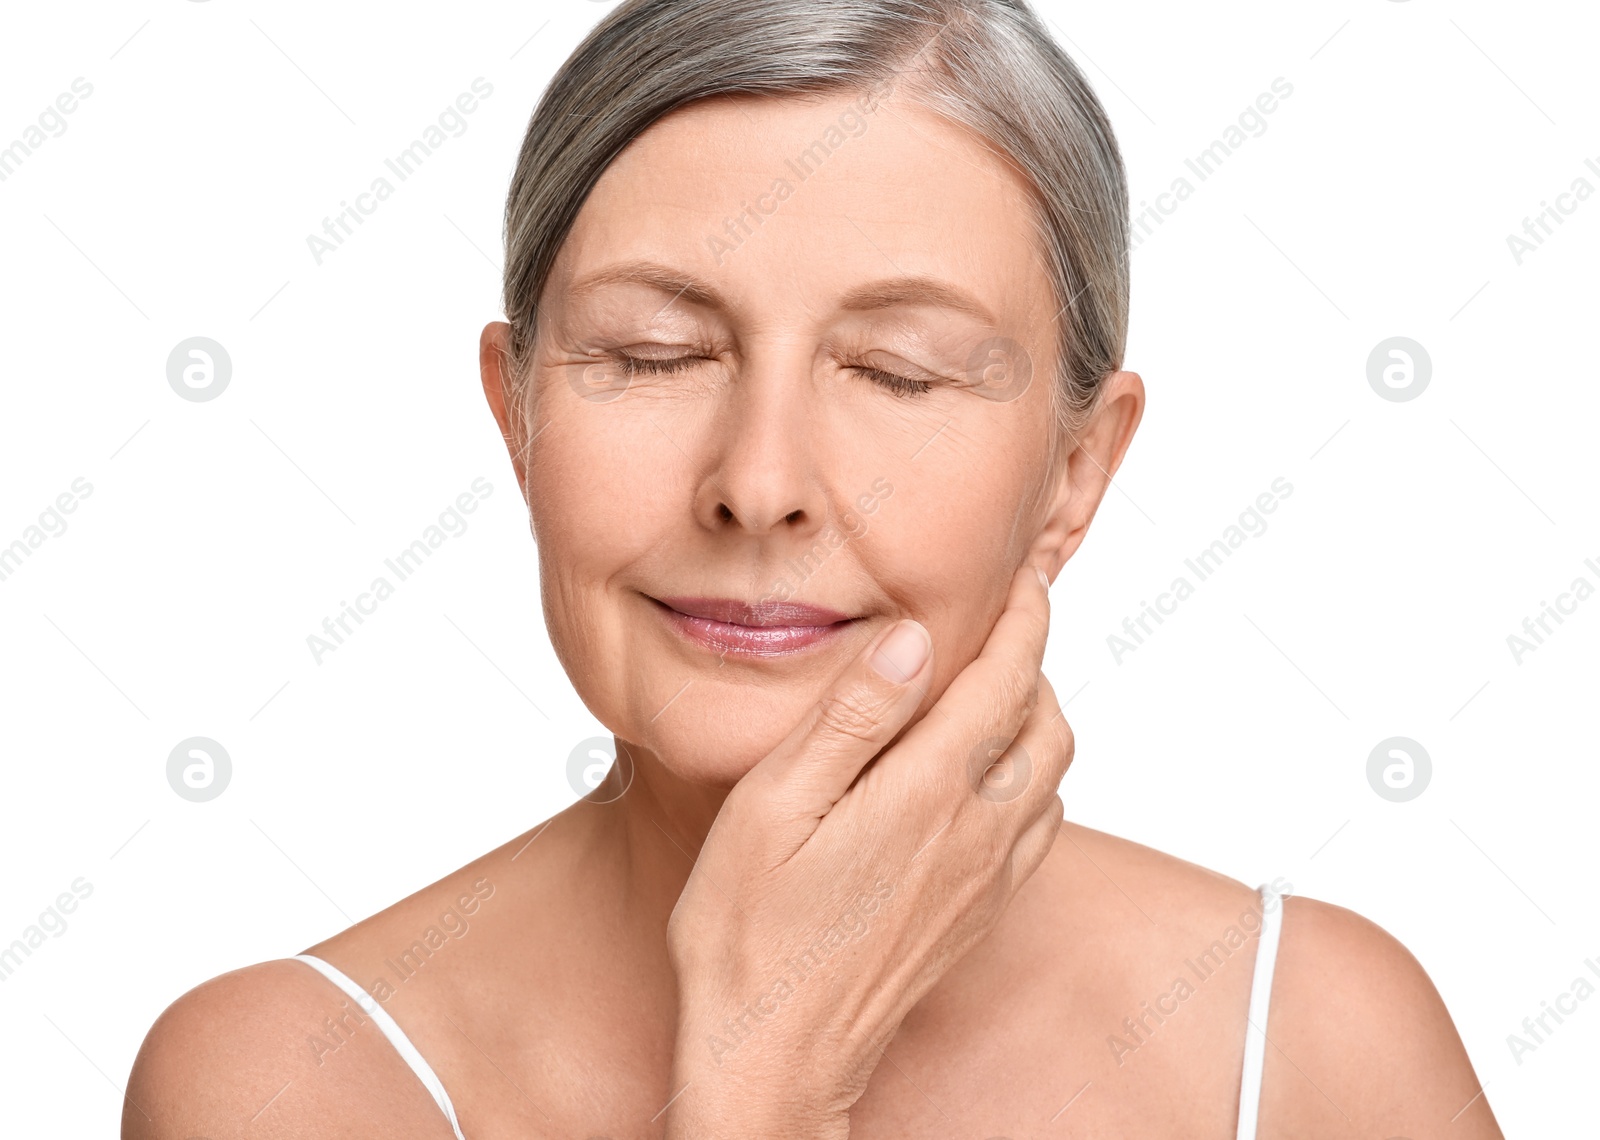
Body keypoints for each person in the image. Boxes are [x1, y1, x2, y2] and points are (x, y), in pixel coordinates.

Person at [124, 0, 1502, 1135]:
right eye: (655, 356)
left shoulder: (1319, 1042)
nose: (760, 484)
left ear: (1075, 475)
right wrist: (764, 1081)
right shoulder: (287, 1082)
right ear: (519, 413)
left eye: (898, 373)